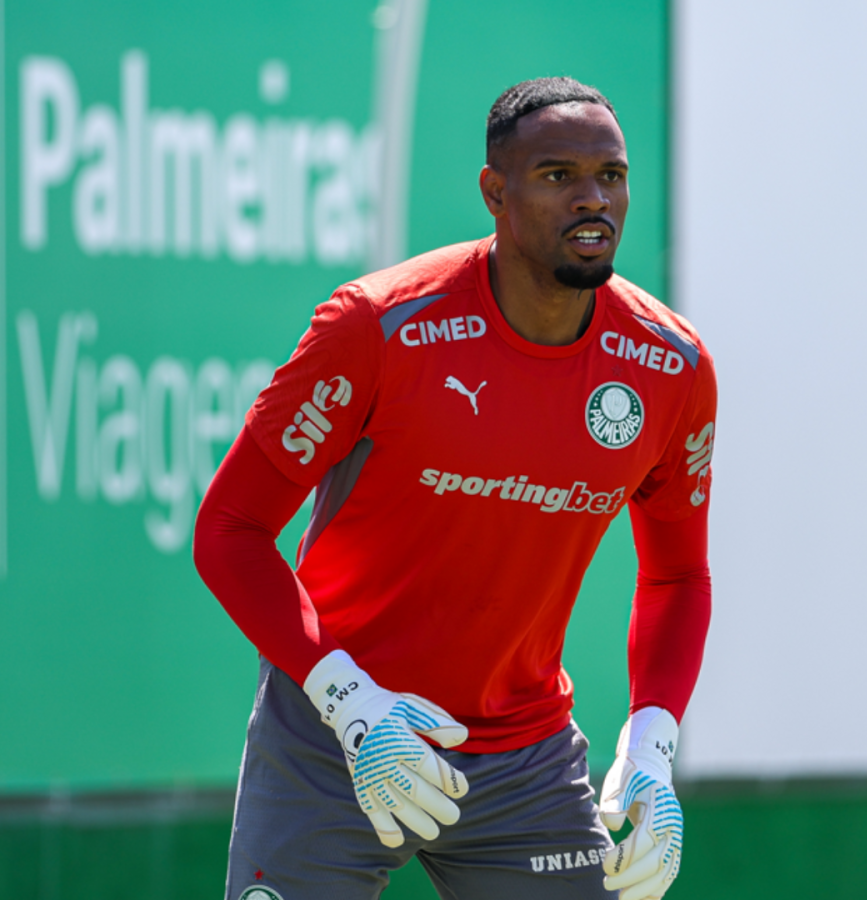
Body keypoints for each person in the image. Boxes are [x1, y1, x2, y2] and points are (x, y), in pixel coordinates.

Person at [194, 76, 715, 900]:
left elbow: (678, 576)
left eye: (610, 176)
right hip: (336, 735)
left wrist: (652, 746)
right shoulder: (377, 326)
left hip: (524, 754)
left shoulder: (670, 365)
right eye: (557, 176)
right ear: (493, 192)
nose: (593, 200)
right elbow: (229, 529)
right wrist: (351, 705)